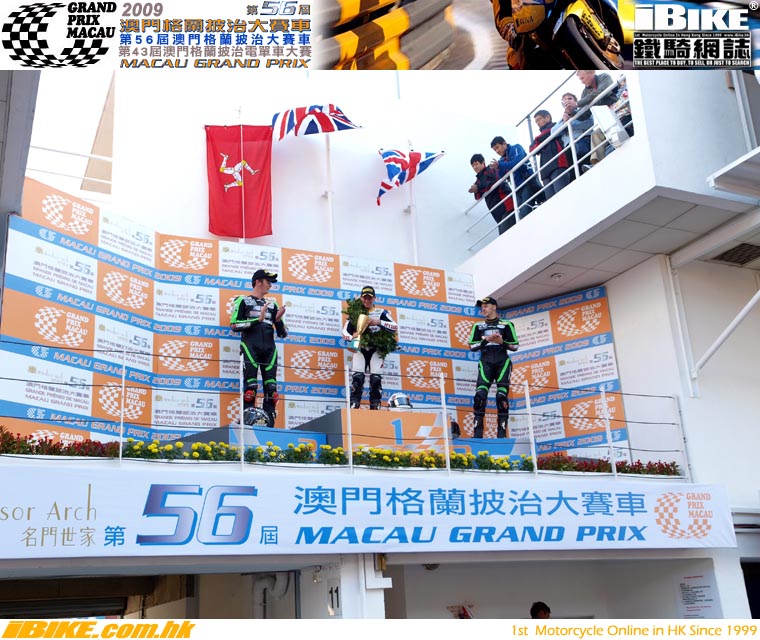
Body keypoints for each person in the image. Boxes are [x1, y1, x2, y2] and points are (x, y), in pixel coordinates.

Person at [230, 269, 287, 425]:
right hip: (250, 347)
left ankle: (269, 424)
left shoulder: (273, 305)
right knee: (250, 388)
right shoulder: (242, 301)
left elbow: (283, 333)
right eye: (268, 281)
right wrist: (257, 320)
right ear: (258, 282)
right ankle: (247, 423)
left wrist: (278, 320)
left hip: (270, 350)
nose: (270, 285)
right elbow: (234, 325)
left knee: (272, 390)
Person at [468, 296, 519, 438]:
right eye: (482, 307)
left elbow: (515, 346)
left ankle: (501, 435)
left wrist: (502, 342)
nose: (483, 309)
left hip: (503, 362)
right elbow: (472, 346)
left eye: (486, 306)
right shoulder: (477, 326)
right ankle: (477, 435)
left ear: (494, 307)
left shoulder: (507, 324)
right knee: (480, 396)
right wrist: (485, 341)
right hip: (485, 362)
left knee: (501, 397)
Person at [342, 285, 398, 410]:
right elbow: (345, 332)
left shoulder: (381, 312)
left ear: (374, 298)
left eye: (370, 298)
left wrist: (379, 322)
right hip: (360, 349)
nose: (367, 300)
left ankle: (375, 406)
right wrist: (352, 337)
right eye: (365, 298)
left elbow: (394, 326)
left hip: (376, 350)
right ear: (361, 298)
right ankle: (354, 405)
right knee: (357, 378)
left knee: (376, 379)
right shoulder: (355, 313)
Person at [489, 136, 544, 222]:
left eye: (497, 147)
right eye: (494, 150)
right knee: (520, 214)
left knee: (525, 210)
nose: (497, 151)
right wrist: (498, 168)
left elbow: (517, 162)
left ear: (504, 144)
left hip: (526, 182)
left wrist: (500, 165)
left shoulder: (516, 148)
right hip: (517, 189)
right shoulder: (501, 160)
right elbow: (502, 177)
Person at [576, 70, 616, 165]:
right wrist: (571, 112)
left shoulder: (604, 77)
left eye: (582, 78)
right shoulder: (585, 92)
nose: (582, 81)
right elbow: (584, 115)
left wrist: (577, 103)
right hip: (605, 119)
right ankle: (595, 162)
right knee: (595, 134)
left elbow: (602, 92)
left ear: (591, 73)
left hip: (618, 110)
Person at [468, 153, 515, 235]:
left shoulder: (490, 169)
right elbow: (477, 196)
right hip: (496, 211)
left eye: (476, 164)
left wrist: (478, 188)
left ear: (483, 163)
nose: (475, 167)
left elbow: (492, 182)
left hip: (506, 205)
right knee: (503, 233)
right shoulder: (478, 181)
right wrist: (475, 190)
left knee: (506, 233)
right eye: (473, 166)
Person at [529, 109, 571, 200]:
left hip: (558, 164)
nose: (538, 123)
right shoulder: (539, 138)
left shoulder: (557, 126)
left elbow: (552, 132)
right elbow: (531, 149)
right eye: (536, 121)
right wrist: (541, 139)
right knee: (551, 200)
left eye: (539, 119)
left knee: (562, 196)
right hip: (545, 170)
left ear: (548, 117)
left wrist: (540, 140)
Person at [551, 92, 594, 171]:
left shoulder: (583, 111)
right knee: (574, 173)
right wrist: (564, 123)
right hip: (569, 148)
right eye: (564, 100)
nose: (567, 101)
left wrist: (569, 123)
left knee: (585, 166)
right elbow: (553, 132)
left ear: (575, 101)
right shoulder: (561, 119)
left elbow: (589, 123)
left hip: (584, 142)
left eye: (570, 98)